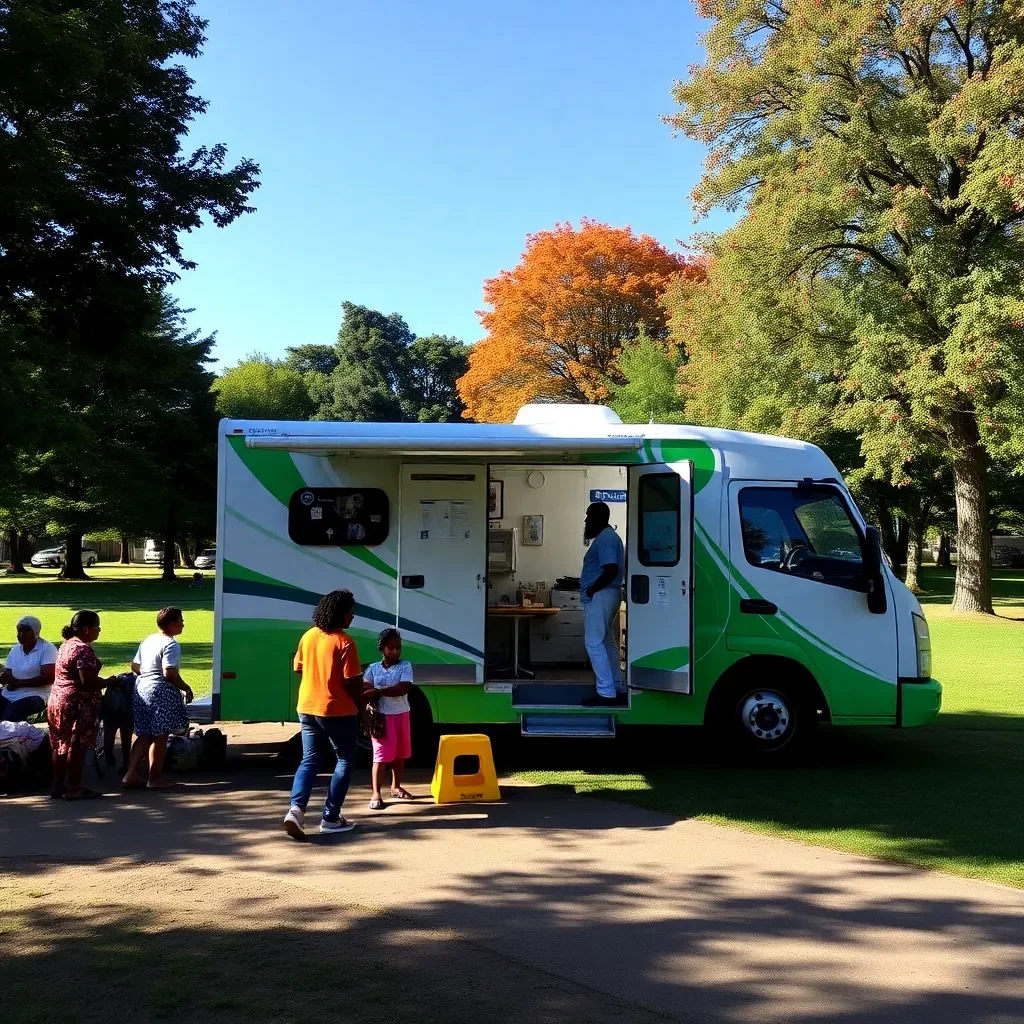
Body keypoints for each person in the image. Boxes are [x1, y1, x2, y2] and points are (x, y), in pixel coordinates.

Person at [283, 589, 363, 839]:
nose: (353, 617)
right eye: (351, 612)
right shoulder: (345, 642)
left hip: (307, 707)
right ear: (340, 614)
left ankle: (296, 810)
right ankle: (330, 817)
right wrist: (364, 705)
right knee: (344, 760)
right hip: (337, 710)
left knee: (309, 760)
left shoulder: (308, 636)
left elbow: (298, 668)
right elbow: (352, 680)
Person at [122, 607, 193, 790]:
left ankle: (130, 774)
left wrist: (146, 676)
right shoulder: (171, 644)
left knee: (144, 733)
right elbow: (169, 673)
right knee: (160, 735)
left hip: (141, 688)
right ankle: (154, 778)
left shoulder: (149, 640)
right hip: (159, 691)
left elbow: (135, 666)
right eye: (180, 620)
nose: (183, 624)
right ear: (171, 624)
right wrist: (185, 688)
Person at [49, 610, 111, 800]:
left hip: (57, 700)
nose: (99, 630)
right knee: (76, 746)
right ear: (86, 629)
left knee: (60, 744)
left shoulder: (66, 645)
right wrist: (110, 681)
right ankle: (74, 788)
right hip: (77, 704)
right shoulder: (83, 649)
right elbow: (87, 682)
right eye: (97, 626)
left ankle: (58, 785)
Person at [580, 502, 626, 707]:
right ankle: (617, 687)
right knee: (607, 642)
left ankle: (606, 692)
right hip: (607, 595)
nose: (586, 520)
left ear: (600, 517)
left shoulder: (606, 537)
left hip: (601, 595)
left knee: (593, 643)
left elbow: (610, 570)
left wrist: (591, 590)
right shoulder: (607, 537)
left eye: (589, 516)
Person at [363, 628, 414, 809]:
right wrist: (371, 692)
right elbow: (365, 686)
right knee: (381, 756)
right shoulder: (373, 668)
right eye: (390, 647)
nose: (394, 651)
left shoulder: (405, 666)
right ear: (382, 648)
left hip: (401, 714)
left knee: (399, 754)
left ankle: (396, 786)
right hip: (381, 718)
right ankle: (376, 794)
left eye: (397, 648)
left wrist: (379, 691)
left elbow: (403, 688)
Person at [0, 615, 57, 722]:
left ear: (35, 632)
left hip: (37, 695)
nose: (21, 634)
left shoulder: (47, 648)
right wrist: (4, 678)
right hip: (11, 692)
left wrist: (20, 683)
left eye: (26, 631)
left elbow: (49, 677)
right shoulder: (15, 649)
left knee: (12, 712)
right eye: (19, 631)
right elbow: (8, 671)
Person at [101, 671, 136, 773]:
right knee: (126, 736)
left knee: (109, 733)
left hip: (110, 707)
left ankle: (109, 754)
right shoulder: (134, 681)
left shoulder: (114, 682)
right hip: (127, 709)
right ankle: (126, 761)